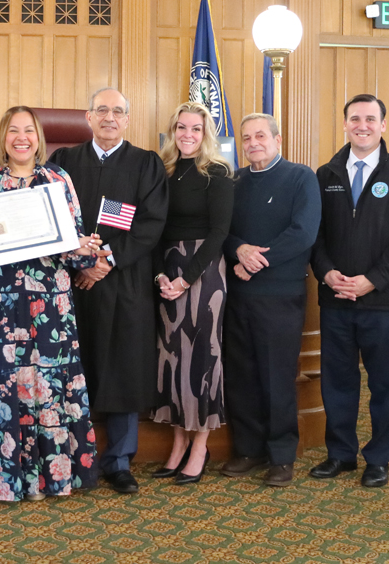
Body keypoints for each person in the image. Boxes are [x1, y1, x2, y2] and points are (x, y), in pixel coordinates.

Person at [0, 106, 101, 501]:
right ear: (3, 137)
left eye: (29, 131)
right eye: (13, 130)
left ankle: (50, 477)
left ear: (39, 137)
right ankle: (7, 478)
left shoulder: (58, 179)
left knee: (47, 384)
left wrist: (85, 249)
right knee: (2, 383)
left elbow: (73, 244)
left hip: (48, 305)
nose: (21, 138)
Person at [48, 87, 169, 494]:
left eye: (118, 111)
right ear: (88, 117)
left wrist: (106, 261)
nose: (110, 117)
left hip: (125, 283)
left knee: (123, 369)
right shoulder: (63, 162)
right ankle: (68, 456)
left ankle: (118, 461)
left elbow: (151, 223)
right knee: (69, 370)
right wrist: (80, 261)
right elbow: (52, 217)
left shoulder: (146, 164)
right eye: (102, 110)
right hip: (72, 284)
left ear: (128, 119)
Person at [309, 94, 389, 488]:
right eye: (355, 118)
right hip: (336, 300)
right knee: (337, 382)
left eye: (371, 119)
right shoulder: (325, 175)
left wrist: (372, 279)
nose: (363, 125)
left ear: (383, 125)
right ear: (345, 124)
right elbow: (315, 235)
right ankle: (340, 454)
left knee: (385, 385)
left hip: (385, 302)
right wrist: (326, 274)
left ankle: (378, 458)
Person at [219, 113, 320, 488]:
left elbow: (303, 233)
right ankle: (249, 450)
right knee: (241, 376)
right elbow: (222, 230)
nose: (253, 143)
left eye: (260, 136)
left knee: (277, 377)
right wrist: (239, 250)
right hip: (238, 293)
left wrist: (256, 261)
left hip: (280, 294)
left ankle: (281, 455)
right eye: (246, 138)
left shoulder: (301, 177)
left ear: (278, 140)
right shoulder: (234, 181)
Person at [149, 102, 233, 485]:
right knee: (172, 357)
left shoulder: (217, 173)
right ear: (173, 131)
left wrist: (186, 279)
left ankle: (200, 446)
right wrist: (160, 276)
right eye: (181, 127)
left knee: (202, 357)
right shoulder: (162, 171)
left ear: (205, 133)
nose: (187, 134)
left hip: (204, 271)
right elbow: (153, 228)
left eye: (195, 129)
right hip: (167, 269)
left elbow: (219, 233)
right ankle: (178, 443)